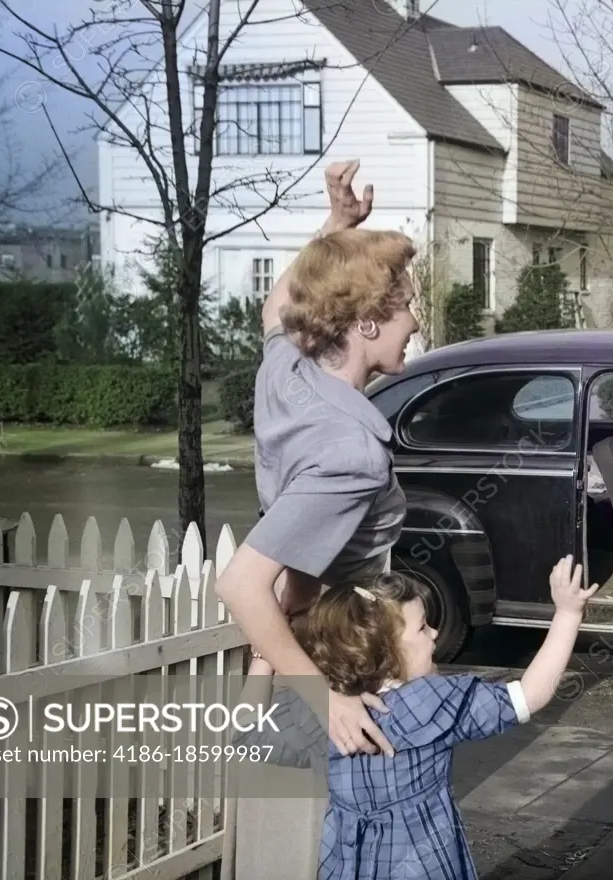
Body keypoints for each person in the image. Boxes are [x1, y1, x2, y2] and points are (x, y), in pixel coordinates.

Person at [214, 161, 418, 880]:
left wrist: (337, 232)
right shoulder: (350, 451)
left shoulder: (288, 371)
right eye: (405, 306)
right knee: (322, 853)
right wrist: (322, 692)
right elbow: (241, 585)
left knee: (274, 839)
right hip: (331, 654)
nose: (415, 319)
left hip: (286, 647)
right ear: (365, 323)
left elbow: (282, 308)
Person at [234, 554, 600, 880]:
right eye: (424, 627)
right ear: (387, 651)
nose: (436, 633)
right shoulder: (434, 702)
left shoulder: (319, 714)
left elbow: (246, 740)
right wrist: (567, 616)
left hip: (346, 864)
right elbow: (531, 695)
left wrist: (264, 657)